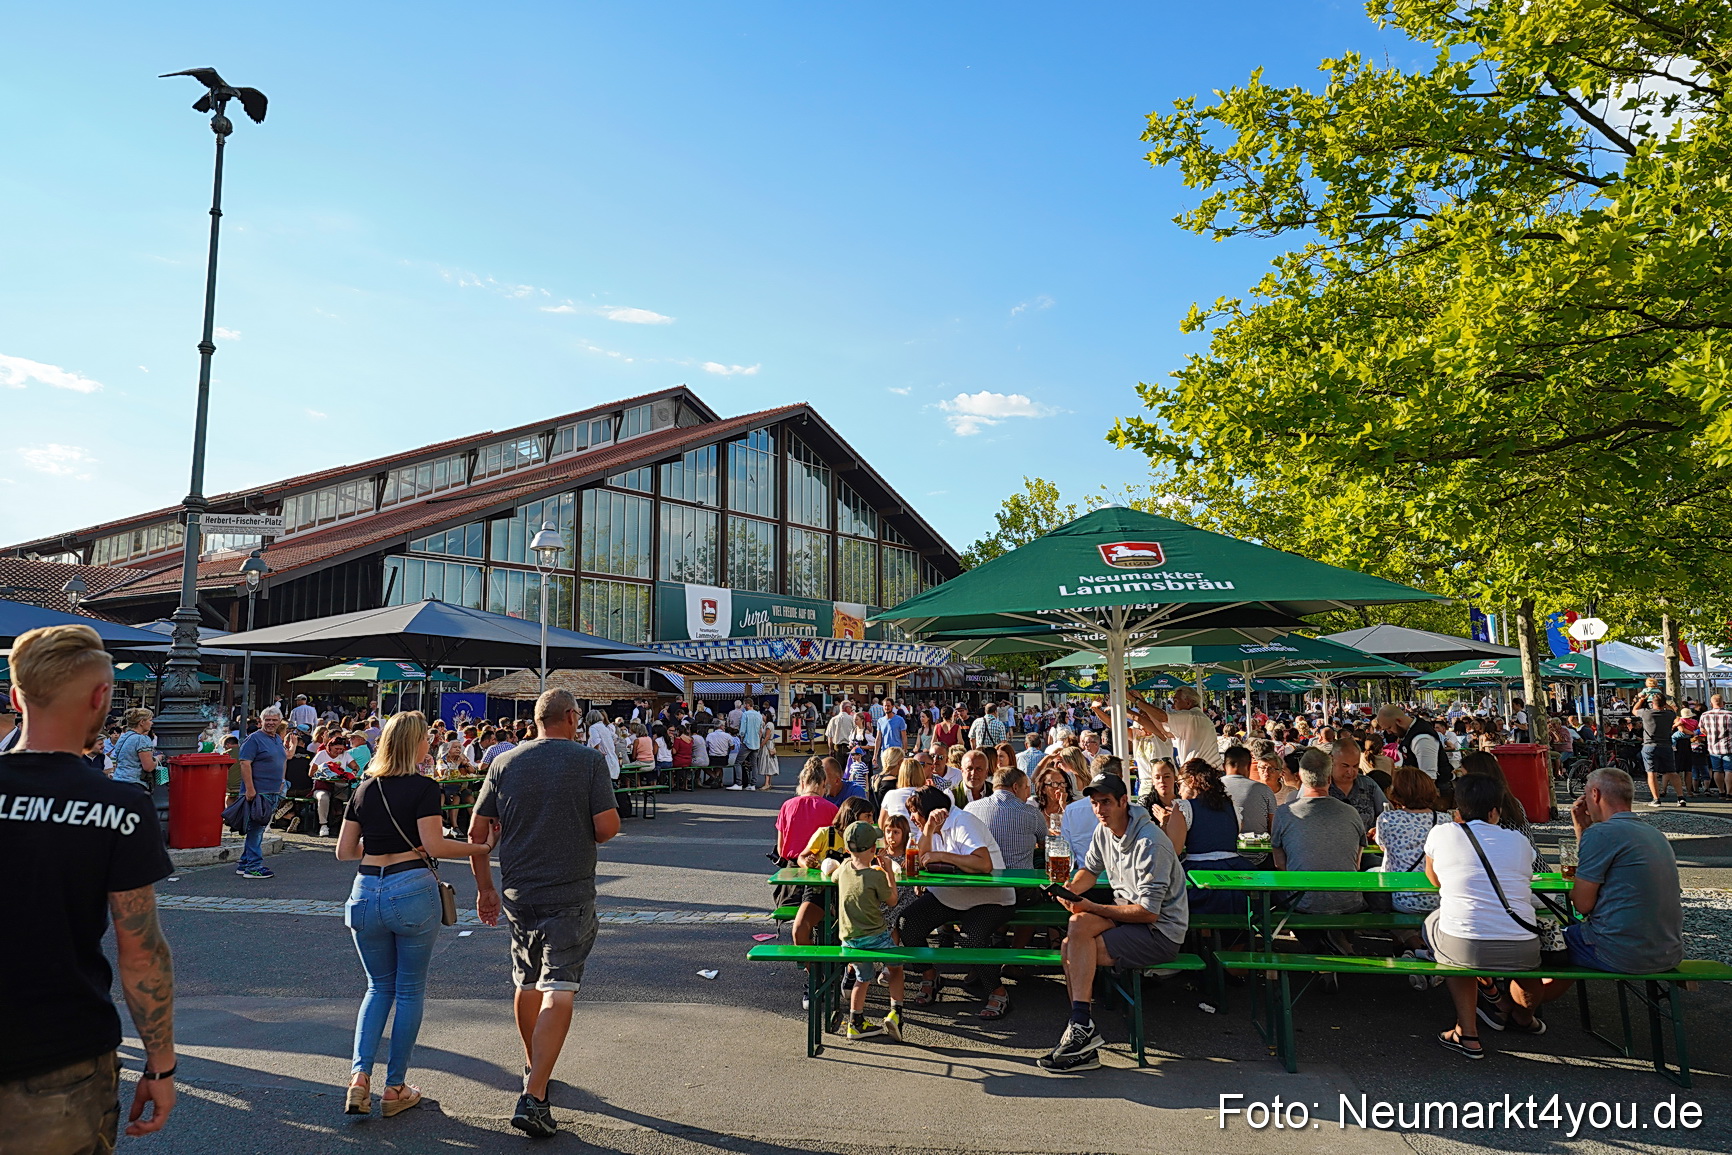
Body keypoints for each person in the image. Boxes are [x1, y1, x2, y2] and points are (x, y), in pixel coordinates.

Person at [2, 625, 179, 1150]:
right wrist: (161, 1066)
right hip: (61, 1058)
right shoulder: (121, 809)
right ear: (101, 697)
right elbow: (141, 951)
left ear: (17, 696)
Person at [466, 689, 621, 1140]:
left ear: (536, 720)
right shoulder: (587, 761)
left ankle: (535, 1062)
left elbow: (477, 834)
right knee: (560, 986)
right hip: (569, 889)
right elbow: (607, 828)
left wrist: (485, 889)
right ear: (572, 717)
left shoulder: (504, 763)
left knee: (527, 980)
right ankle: (535, 1095)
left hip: (518, 890)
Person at [336, 712, 493, 1116]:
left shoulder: (364, 789)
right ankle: (395, 1088)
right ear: (414, 744)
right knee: (407, 990)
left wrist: (378, 848)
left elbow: (344, 851)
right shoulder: (425, 788)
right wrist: (480, 849)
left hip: (365, 889)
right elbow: (435, 844)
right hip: (410, 888)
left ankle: (358, 1077)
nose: (430, 744)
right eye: (426, 738)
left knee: (376, 988)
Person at [1486, 767, 1684, 1034]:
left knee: (1527, 948)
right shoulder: (1653, 834)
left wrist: (1586, 835)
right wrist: (1582, 831)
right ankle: (1521, 1008)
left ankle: (1515, 1011)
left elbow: (1582, 905)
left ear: (1595, 793)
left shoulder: (1601, 834)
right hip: (1666, 949)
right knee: (1567, 943)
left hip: (1619, 951)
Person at [1040, 772, 1188, 1072]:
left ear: (1124, 801)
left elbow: (1149, 912)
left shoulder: (1150, 842)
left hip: (1160, 932)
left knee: (1073, 946)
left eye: (1106, 802)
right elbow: (1090, 871)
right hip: (1129, 920)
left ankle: (1082, 1034)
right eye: (1095, 803)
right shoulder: (1104, 831)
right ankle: (1082, 1027)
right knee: (1076, 928)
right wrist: (1069, 891)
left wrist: (1092, 905)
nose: (1099, 810)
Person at [1422, 774, 1542, 1059]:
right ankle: (1523, 1018)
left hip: (1465, 945)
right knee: (1527, 966)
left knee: (1438, 926)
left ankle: (1468, 1032)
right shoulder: (1519, 841)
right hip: (1522, 943)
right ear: (1495, 811)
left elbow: (1434, 880)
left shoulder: (1442, 833)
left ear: (1458, 810)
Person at [897, 786, 1016, 1019]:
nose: (911, 818)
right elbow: (922, 860)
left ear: (933, 811)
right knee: (906, 923)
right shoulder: (930, 827)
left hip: (990, 898)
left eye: (915, 812)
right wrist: (929, 829)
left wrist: (942, 856)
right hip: (950, 896)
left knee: (974, 937)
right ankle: (929, 976)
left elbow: (984, 864)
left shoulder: (963, 822)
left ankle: (998, 991)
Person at [1271, 747, 1367, 914]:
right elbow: (1356, 864)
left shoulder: (1284, 812)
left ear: (1300, 776)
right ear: (1329, 778)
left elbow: (1280, 865)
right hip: (1348, 901)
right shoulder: (1351, 812)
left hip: (1301, 901)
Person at [834, 820, 907, 1040]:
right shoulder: (875, 876)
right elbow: (893, 900)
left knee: (862, 977)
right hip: (876, 937)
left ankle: (855, 1022)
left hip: (849, 939)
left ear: (847, 849)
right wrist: (890, 875)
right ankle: (896, 1013)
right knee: (896, 969)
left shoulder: (844, 867)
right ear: (874, 849)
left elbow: (833, 877)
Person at [776, 762, 841, 998]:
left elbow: (782, 850)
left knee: (801, 923)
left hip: (792, 879)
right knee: (826, 917)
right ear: (823, 784)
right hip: (823, 874)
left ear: (802, 783)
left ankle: (813, 973)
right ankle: (826, 972)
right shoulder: (831, 809)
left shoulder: (787, 806)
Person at [1373, 768, 1446, 952]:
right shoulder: (1445, 820)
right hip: (1439, 896)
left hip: (1403, 897)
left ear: (1397, 792)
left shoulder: (1388, 818)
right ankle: (1422, 946)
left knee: (1372, 875)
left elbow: (1382, 846)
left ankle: (1409, 943)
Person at [235, 706, 289, 879]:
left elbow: (282, 759)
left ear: (279, 721)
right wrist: (250, 789)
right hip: (259, 792)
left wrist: (281, 781)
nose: (271, 723)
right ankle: (253, 866)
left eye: (274, 720)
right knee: (256, 829)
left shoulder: (277, 739)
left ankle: (245, 863)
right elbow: (245, 763)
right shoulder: (254, 739)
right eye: (267, 720)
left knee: (257, 828)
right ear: (261, 721)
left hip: (272, 790)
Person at [965, 765, 1044, 870]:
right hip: (1020, 881)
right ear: (1015, 787)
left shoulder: (970, 808)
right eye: (1025, 788)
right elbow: (1045, 845)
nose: (1027, 795)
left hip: (981, 880)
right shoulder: (1032, 813)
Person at [1132, 687, 1222, 769]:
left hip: (1201, 773)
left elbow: (1162, 718)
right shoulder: (1195, 717)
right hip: (1203, 772)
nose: (1173, 706)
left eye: (1175, 701)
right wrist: (1143, 704)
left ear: (1188, 702)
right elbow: (1165, 731)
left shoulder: (1191, 716)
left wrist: (1137, 701)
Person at [1328, 737, 1386, 830]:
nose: (1350, 772)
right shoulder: (1319, 786)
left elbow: (1387, 814)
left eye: (1355, 766)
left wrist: (1377, 829)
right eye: (1345, 766)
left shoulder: (1369, 785)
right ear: (1331, 760)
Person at [311, 734, 361, 837]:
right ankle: (323, 825)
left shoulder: (345, 755)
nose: (339, 751)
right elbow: (311, 773)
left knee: (355, 798)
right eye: (337, 748)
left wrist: (354, 772)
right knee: (323, 797)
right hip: (323, 785)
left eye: (341, 749)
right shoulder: (321, 754)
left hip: (340, 786)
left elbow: (355, 766)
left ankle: (354, 826)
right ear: (330, 746)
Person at [111, 707, 158, 793]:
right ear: (142, 722)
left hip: (118, 780)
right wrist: (158, 759)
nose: (152, 723)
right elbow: (148, 767)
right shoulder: (142, 739)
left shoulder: (123, 737)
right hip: (134, 784)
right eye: (150, 720)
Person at [1699, 693, 1732, 797]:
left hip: (1713, 747)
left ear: (1711, 703)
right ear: (1723, 703)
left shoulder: (1705, 715)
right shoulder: (1730, 714)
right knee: (1729, 770)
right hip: (1729, 746)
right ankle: (1729, 793)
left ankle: (1721, 791)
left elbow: (1702, 730)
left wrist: (1710, 734)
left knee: (1717, 770)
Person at [584, 709, 621, 784]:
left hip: (603, 762)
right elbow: (616, 738)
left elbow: (596, 742)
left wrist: (597, 754)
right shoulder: (605, 728)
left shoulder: (593, 728)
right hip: (612, 761)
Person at [738, 697, 764, 787]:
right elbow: (761, 730)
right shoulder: (759, 715)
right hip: (756, 742)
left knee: (738, 762)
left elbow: (742, 730)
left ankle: (739, 783)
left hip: (747, 741)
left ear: (747, 705)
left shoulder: (745, 714)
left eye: (744, 704)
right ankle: (753, 784)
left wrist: (741, 737)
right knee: (754, 764)